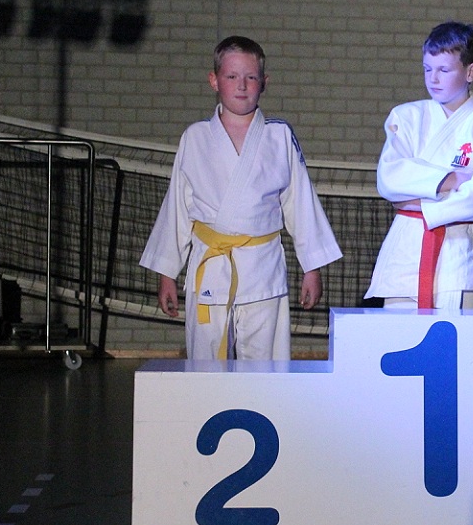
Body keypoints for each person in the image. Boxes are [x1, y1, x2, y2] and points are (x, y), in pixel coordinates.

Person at [140, 35, 342, 360]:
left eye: (251, 77)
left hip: (263, 265)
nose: (242, 85)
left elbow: (300, 203)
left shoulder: (279, 136)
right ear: (214, 80)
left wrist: (312, 268)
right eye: (232, 76)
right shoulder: (195, 137)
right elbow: (177, 209)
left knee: (265, 364)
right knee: (206, 360)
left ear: (264, 82)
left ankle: (263, 396)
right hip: (210, 262)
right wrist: (167, 275)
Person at [365, 21, 473, 311]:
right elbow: (389, 179)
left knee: (457, 337)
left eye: (444, 70)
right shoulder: (406, 116)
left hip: (459, 252)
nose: (433, 79)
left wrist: (419, 203)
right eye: (427, 69)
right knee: (399, 335)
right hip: (405, 251)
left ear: (470, 72)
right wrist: (450, 179)